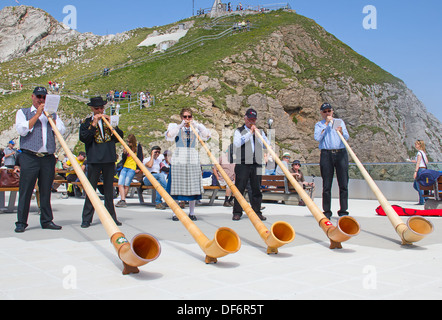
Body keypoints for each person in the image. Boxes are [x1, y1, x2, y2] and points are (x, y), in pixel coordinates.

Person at [14, 86, 66, 232]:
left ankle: (47, 220)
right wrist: (37, 115)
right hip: (30, 156)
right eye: (38, 97)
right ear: (32, 97)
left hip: (47, 157)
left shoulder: (52, 114)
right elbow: (22, 130)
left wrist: (50, 118)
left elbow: (61, 131)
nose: (41, 100)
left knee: (45, 190)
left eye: (43, 97)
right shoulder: (23, 112)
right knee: (26, 190)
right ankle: (21, 222)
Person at [79, 96, 123, 228]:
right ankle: (87, 219)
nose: (99, 110)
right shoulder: (86, 123)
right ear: (92, 109)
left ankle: (111, 217)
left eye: (101, 108)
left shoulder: (108, 122)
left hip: (109, 159)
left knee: (109, 191)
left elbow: (119, 137)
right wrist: (93, 125)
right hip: (94, 159)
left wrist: (113, 125)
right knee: (91, 190)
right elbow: (84, 138)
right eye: (97, 108)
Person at [165, 108, 210, 221]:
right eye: (185, 117)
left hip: (192, 156)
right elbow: (169, 135)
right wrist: (180, 126)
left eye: (189, 116)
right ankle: (176, 213)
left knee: (192, 185)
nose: (187, 119)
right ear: (181, 117)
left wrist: (197, 125)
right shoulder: (175, 127)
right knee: (177, 185)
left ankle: (192, 212)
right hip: (179, 156)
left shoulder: (195, 129)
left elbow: (207, 136)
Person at [232, 108, 269, 221]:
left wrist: (258, 136)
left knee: (256, 188)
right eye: (249, 119)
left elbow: (266, 145)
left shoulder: (260, 132)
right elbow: (237, 143)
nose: (251, 122)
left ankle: (257, 211)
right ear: (245, 118)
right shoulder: (239, 131)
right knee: (240, 188)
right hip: (243, 163)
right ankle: (237, 212)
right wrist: (249, 134)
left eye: (253, 119)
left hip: (256, 162)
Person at [314, 103, 350, 219]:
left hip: (341, 153)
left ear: (332, 111)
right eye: (324, 111)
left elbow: (346, 136)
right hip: (326, 154)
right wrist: (326, 125)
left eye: (329, 111)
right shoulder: (319, 125)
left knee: (343, 183)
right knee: (327, 185)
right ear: (321, 113)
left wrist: (341, 131)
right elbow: (317, 138)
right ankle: (327, 211)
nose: (327, 113)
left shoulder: (338, 122)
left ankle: (343, 211)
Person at [115, 134, 143, 208]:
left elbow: (140, 157)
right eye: (127, 141)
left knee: (126, 184)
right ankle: (122, 199)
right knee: (120, 183)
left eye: (129, 142)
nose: (128, 143)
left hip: (132, 168)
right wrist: (124, 154)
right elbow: (124, 159)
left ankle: (122, 200)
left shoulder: (138, 147)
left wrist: (138, 168)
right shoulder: (127, 147)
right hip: (125, 166)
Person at [142, 145, 167, 210]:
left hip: (156, 178)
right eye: (156, 152)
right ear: (152, 152)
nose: (157, 153)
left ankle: (158, 203)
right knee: (160, 175)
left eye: (159, 152)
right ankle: (167, 193)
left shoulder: (159, 160)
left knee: (159, 184)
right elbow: (150, 165)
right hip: (147, 178)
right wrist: (152, 156)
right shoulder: (146, 160)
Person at [412, 140, 429, 205]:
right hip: (424, 169)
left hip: (420, 170)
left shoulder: (419, 153)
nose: (415, 145)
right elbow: (426, 161)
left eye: (416, 144)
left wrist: (415, 171)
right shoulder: (423, 153)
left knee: (417, 186)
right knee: (420, 185)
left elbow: (418, 163)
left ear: (419, 145)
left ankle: (422, 201)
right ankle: (425, 198)